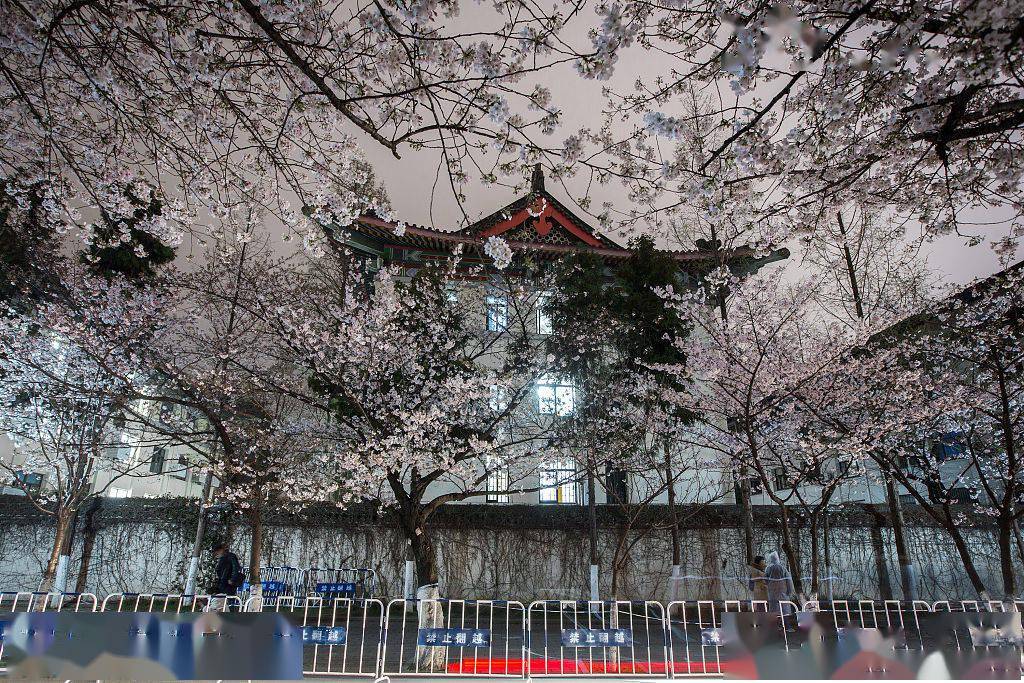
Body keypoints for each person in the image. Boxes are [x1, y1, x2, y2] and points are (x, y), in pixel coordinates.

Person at [212, 542, 244, 610]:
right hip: (223, 581)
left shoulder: (230, 556)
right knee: (221, 600)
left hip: (229, 582)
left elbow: (236, 567)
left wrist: (232, 579)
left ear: (221, 550)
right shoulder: (222, 558)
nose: (216, 553)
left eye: (217, 551)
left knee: (229, 600)